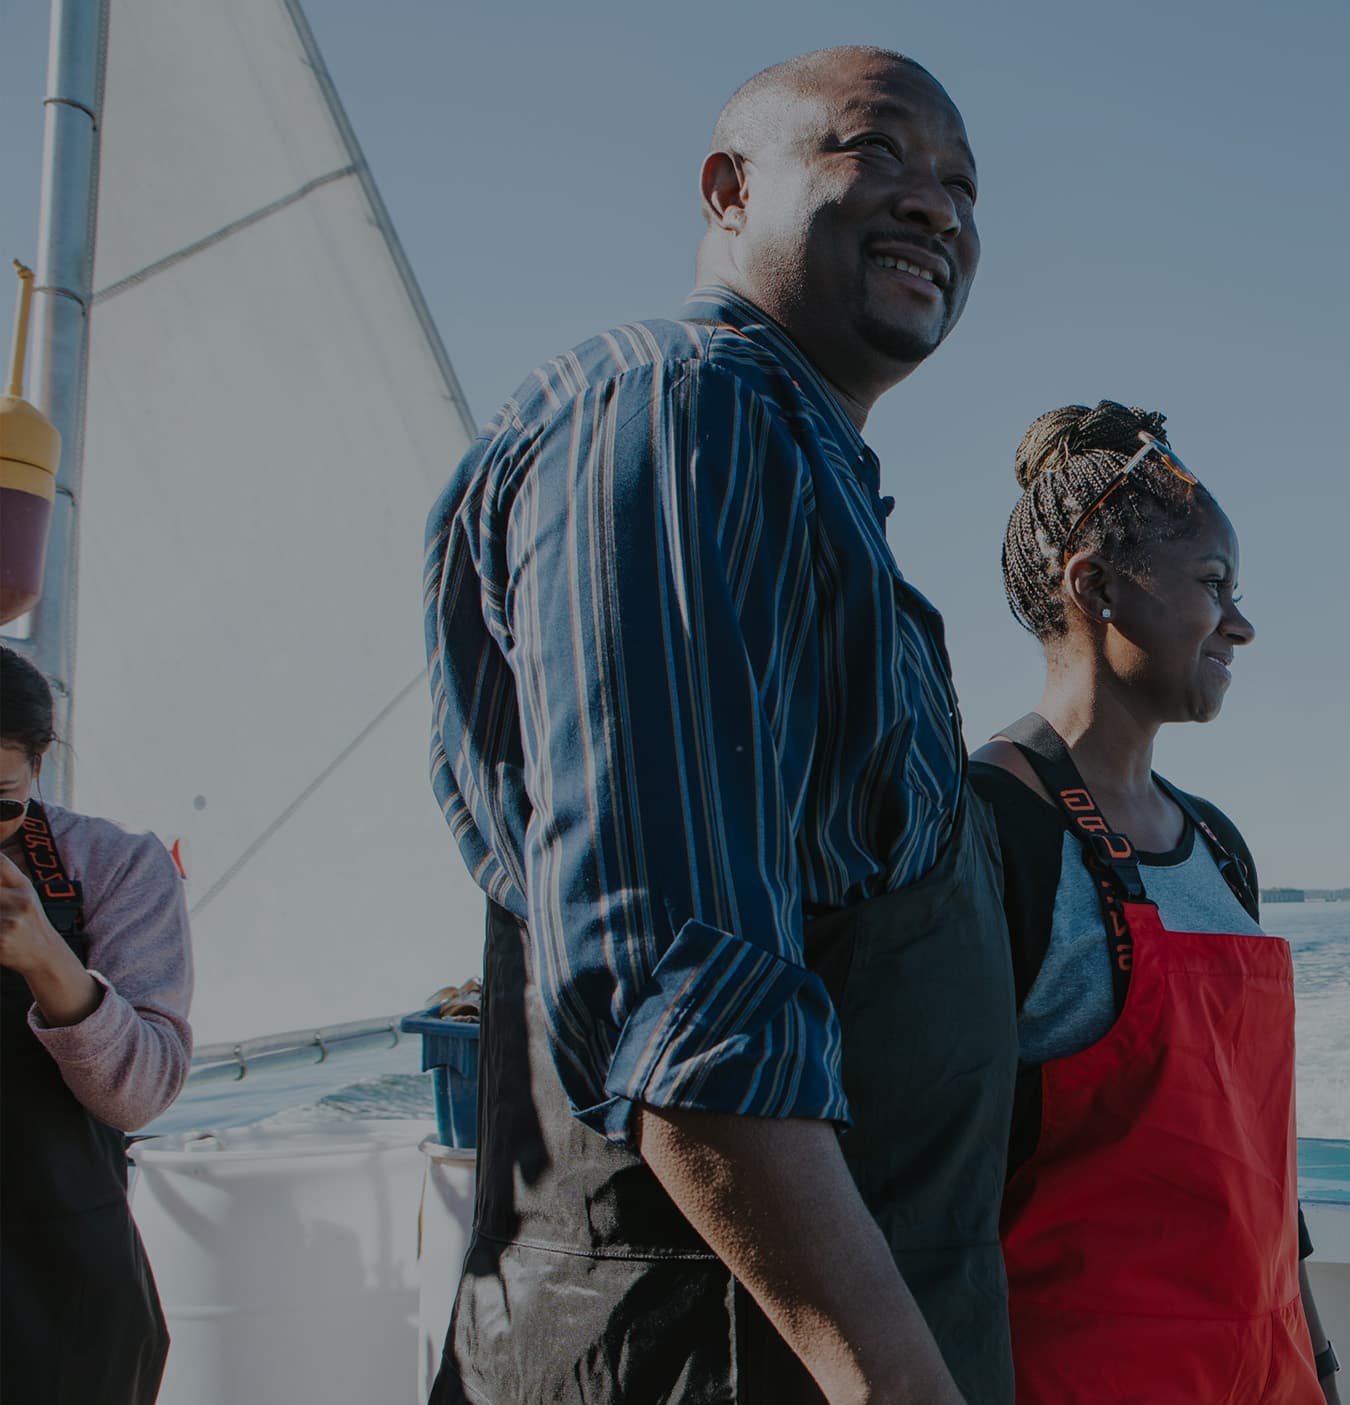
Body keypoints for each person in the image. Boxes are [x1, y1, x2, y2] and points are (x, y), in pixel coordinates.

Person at [422, 48, 1013, 1405]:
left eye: (966, 184)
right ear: (729, 189)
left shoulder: (805, 480)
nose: (938, 206)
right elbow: (685, 995)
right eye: (878, 153)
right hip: (711, 1359)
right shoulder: (681, 411)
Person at [969, 403, 1343, 1404]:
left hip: (1266, 1373)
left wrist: (1321, 1357)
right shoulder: (986, 827)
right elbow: (924, 1184)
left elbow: (1259, 1165)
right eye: (1213, 585)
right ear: (1092, 585)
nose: (1242, 624)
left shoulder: (1217, 844)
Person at [0, 644, 192, 1403]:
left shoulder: (113, 866)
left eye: (0, 800)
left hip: (65, 1295)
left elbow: (141, 1095)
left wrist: (49, 959)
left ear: (40, 766)